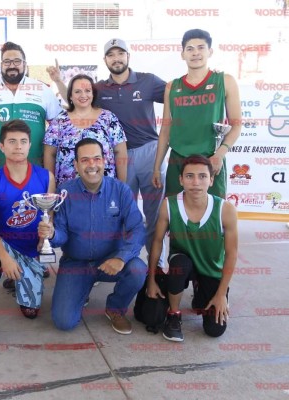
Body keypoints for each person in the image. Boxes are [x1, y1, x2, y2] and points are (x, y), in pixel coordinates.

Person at [47, 39, 167, 269]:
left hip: (147, 152)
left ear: (128, 56)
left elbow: (174, 96)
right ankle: (112, 260)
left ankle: (155, 266)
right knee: (116, 215)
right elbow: (76, 97)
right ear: (105, 60)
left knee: (152, 214)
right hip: (112, 161)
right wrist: (59, 81)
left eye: (120, 53)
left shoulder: (148, 80)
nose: (116, 58)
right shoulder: (100, 88)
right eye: (111, 55)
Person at [0, 119, 55, 354]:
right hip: (1, 242)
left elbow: (49, 217)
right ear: (1, 146)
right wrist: (4, 258)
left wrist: (46, 235)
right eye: (12, 141)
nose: (18, 146)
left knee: (32, 312)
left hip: (30, 247)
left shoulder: (46, 177)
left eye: (23, 141)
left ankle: (19, 278)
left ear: (30, 145)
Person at [38, 138, 146, 334]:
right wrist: (52, 234)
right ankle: (80, 290)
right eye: (85, 160)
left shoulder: (120, 190)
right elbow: (61, 236)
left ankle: (115, 308)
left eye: (96, 158)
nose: (92, 165)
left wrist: (121, 258)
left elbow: (137, 229)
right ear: (76, 165)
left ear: (105, 161)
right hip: (76, 263)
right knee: (64, 322)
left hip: (110, 261)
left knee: (138, 269)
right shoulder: (64, 193)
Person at [141, 155, 237, 341]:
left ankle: (202, 289)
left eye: (202, 176)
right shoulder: (168, 205)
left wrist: (221, 294)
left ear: (211, 180)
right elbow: (157, 242)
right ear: (181, 180)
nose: (195, 182)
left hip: (211, 269)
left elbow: (232, 254)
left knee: (214, 330)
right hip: (182, 263)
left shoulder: (225, 210)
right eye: (189, 176)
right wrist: (152, 279)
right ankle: (174, 314)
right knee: (178, 266)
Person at [152, 29, 241, 198]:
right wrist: (157, 167)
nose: (195, 53)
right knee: (176, 214)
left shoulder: (225, 81)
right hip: (178, 160)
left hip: (210, 159)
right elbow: (165, 129)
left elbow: (236, 125)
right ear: (182, 54)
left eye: (201, 48)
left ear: (210, 52)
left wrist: (220, 153)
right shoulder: (172, 86)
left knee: (213, 215)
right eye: (190, 49)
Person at [0, 41, 61, 171]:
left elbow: (58, 130)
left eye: (17, 61)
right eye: (7, 61)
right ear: (1, 65)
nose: (12, 65)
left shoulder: (42, 90)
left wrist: (49, 171)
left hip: (36, 173)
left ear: (25, 64)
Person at [43, 74, 127, 187]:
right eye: (77, 91)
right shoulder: (59, 121)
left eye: (87, 90)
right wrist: (51, 189)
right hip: (67, 192)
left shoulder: (108, 118)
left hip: (105, 190)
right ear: (70, 96)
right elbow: (49, 155)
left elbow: (120, 152)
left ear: (93, 94)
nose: (83, 95)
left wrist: (121, 187)